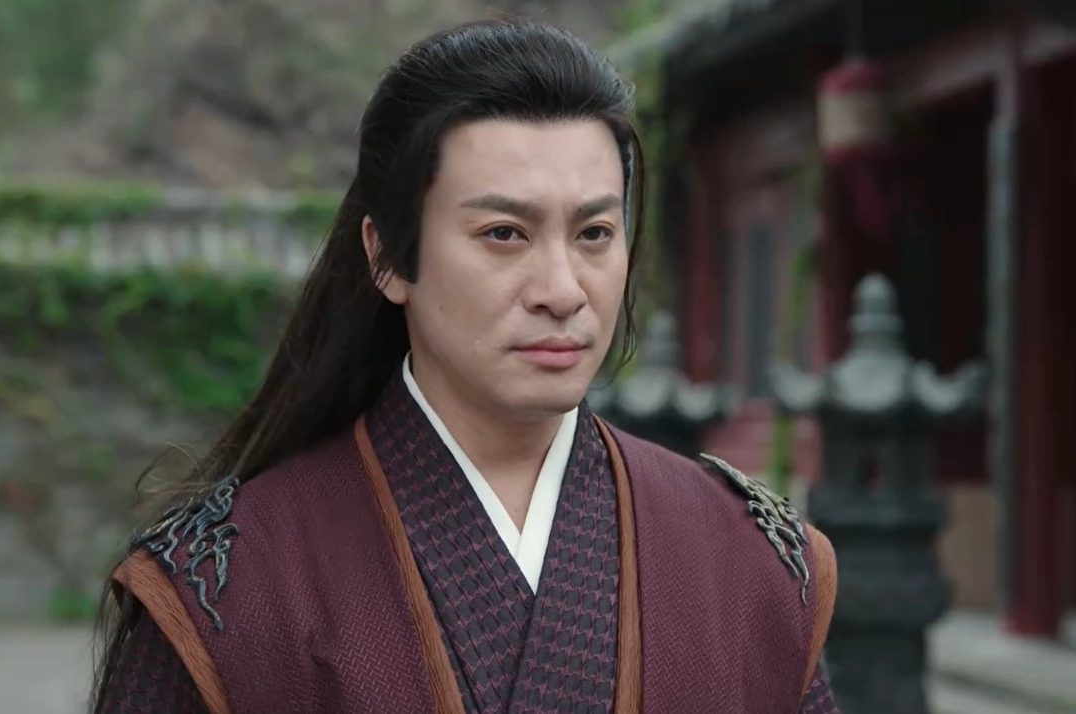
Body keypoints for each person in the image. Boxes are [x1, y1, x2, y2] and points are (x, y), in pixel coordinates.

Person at [90, 17, 840, 714]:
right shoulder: (235, 586)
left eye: (594, 233)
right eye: (504, 233)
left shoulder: (745, 562)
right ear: (388, 257)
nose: (561, 291)